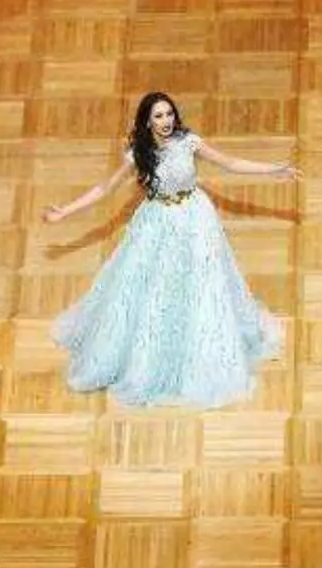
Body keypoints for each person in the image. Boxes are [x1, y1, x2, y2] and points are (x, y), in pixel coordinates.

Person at [40, 93, 299, 408]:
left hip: (195, 219)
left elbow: (230, 163)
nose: (166, 121)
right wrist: (64, 212)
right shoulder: (138, 154)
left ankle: (201, 357)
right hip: (157, 223)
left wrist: (274, 170)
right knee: (154, 291)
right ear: (147, 121)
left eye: (169, 114)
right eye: (158, 116)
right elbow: (105, 189)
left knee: (202, 285)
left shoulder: (189, 142)